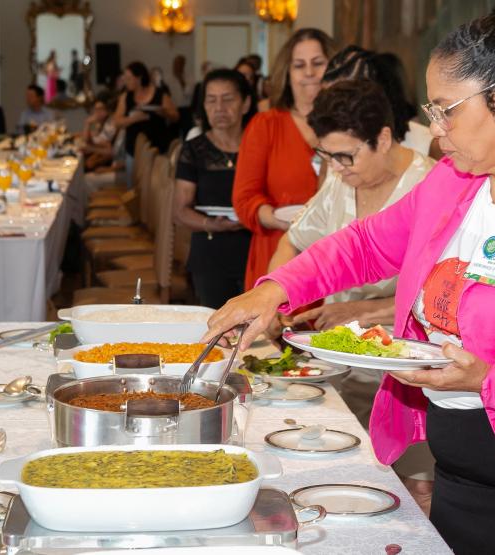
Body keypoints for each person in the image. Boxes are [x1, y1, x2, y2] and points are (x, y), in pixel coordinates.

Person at [204, 0, 495, 552]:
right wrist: (277, 288)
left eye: (445, 110)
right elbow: (364, 245)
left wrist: (491, 377)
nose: (435, 133)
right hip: (465, 480)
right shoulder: (455, 181)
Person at [267, 78, 436, 511]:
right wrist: (270, 298)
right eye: (328, 156)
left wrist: (367, 309)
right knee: (333, 475)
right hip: (341, 364)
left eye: (346, 155)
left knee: (416, 492)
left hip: (407, 372)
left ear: (382, 137)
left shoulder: (430, 187)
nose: (338, 168)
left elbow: (443, 294)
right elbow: (295, 239)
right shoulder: (342, 180)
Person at [231, 28, 335, 290]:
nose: (309, 73)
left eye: (318, 63)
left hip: (334, 261)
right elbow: (244, 198)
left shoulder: (346, 126)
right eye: (299, 65)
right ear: (287, 74)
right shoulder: (266, 125)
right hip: (278, 253)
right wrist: (276, 218)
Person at [173, 69, 253, 308]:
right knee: (221, 333)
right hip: (211, 253)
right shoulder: (194, 150)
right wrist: (212, 224)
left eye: (228, 99)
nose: (219, 108)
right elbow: (180, 210)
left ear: (245, 103)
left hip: (257, 251)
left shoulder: (259, 147)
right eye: (211, 99)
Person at [114, 61, 180, 155]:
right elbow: (117, 122)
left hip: (159, 149)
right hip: (134, 151)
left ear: (139, 78)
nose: (126, 82)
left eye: (129, 79)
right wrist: (134, 119)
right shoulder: (125, 97)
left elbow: (176, 117)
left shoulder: (159, 94)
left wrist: (164, 113)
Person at [80, 97, 118, 171]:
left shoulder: (111, 125)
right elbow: (91, 140)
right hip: (99, 156)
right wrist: (87, 124)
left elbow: (109, 148)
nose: (96, 112)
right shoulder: (104, 123)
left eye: (100, 109)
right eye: (95, 109)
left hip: (107, 162)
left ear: (108, 110)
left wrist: (87, 123)